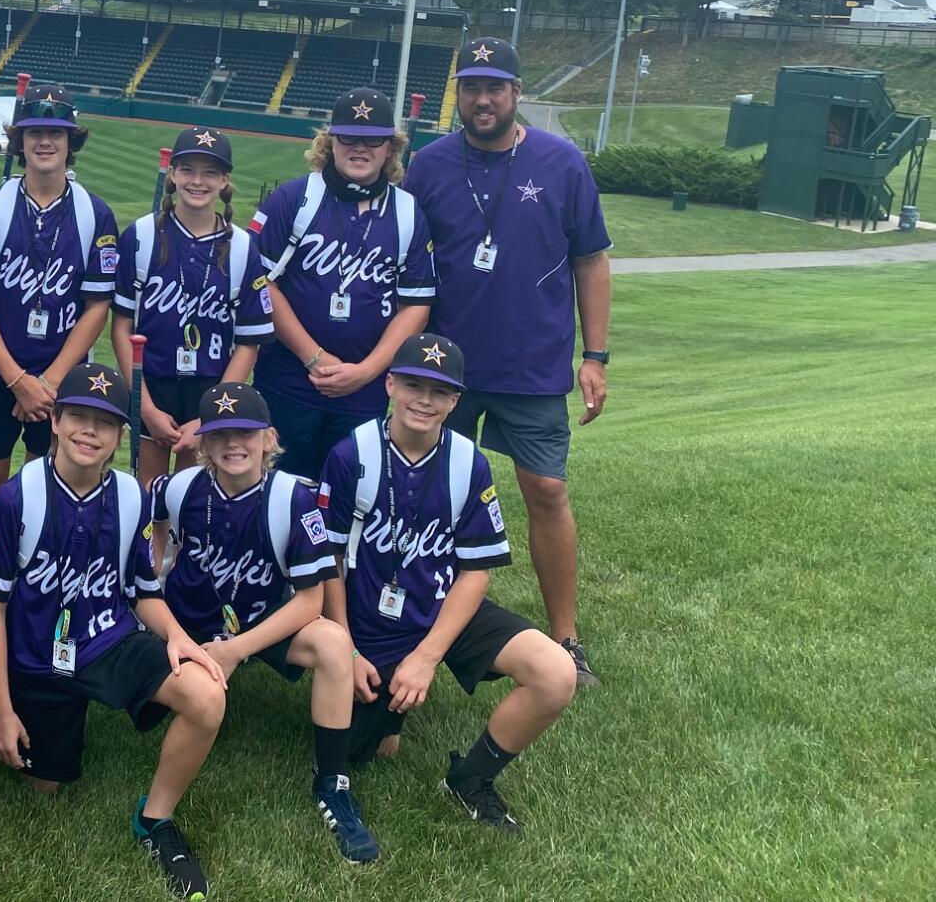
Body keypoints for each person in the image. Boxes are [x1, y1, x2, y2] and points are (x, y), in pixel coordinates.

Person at [0, 363, 229, 901]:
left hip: (109, 639)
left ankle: (155, 819)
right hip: (38, 657)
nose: (90, 432)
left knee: (207, 696)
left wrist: (178, 637)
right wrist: (0, 709)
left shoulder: (132, 496)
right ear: (58, 422)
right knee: (46, 785)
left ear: (119, 437)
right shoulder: (18, 496)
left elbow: (142, 589)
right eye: (79, 418)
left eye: (105, 423)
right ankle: (56, 721)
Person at [401, 37, 612, 686]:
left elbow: (591, 260)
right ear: (457, 93)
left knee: (545, 491)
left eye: (495, 87)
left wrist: (595, 355)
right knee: (424, 497)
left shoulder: (562, 162)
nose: (482, 99)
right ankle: (411, 624)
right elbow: (403, 264)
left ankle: (566, 638)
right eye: (471, 86)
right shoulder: (430, 165)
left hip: (533, 362)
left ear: (517, 94)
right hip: (444, 368)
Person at [319, 333, 577, 836]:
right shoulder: (354, 454)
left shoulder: (468, 461)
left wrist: (427, 657)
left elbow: (475, 570)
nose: (425, 400)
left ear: (456, 401)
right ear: (389, 384)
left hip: (441, 609)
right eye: (413, 384)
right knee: (357, 751)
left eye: (439, 392)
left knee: (555, 673)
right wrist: (345, 650)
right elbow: (328, 560)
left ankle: (471, 778)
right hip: (369, 621)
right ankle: (388, 715)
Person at [149, 381, 379, 865]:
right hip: (189, 629)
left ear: (269, 438)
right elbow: (153, 535)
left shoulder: (295, 497)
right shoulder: (178, 487)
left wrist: (236, 650)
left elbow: (310, 600)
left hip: (261, 623)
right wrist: (159, 568)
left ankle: (332, 784)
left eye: (247, 433)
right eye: (220, 434)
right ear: (203, 443)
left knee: (334, 644)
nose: (234, 444)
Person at [0, 91, 119, 644]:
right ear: (19, 141)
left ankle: (39, 589)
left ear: (72, 142)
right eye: (33, 132)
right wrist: (17, 379)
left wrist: (49, 381)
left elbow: (98, 305)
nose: (44, 141)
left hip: (65, 376)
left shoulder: (96, 214)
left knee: (53, 486)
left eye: (56, 132)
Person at [250, 87, 435, 480]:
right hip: (288, 381)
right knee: (277, 491)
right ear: (330, 142)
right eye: (348, 137)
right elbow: (262, 284)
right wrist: (314, 357)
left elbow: (415, 304)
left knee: (346, 495)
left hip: (363, 391)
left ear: (390, 148)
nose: (360, 148)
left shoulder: (407, 213)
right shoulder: (295, 198)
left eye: (373, 139)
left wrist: (367, 370)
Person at [113, 127, 272, 483]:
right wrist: (146, 407)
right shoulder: (141, 236)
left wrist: (211, 414)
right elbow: (122, 327)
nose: (197, 181)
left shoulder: (244, 248)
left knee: (194, 502)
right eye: (188, 170)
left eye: (210, 172)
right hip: (152, 384)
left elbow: (249, 342)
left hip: (213, 389)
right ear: (172, 174)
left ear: (225, 179)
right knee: (148, 501)